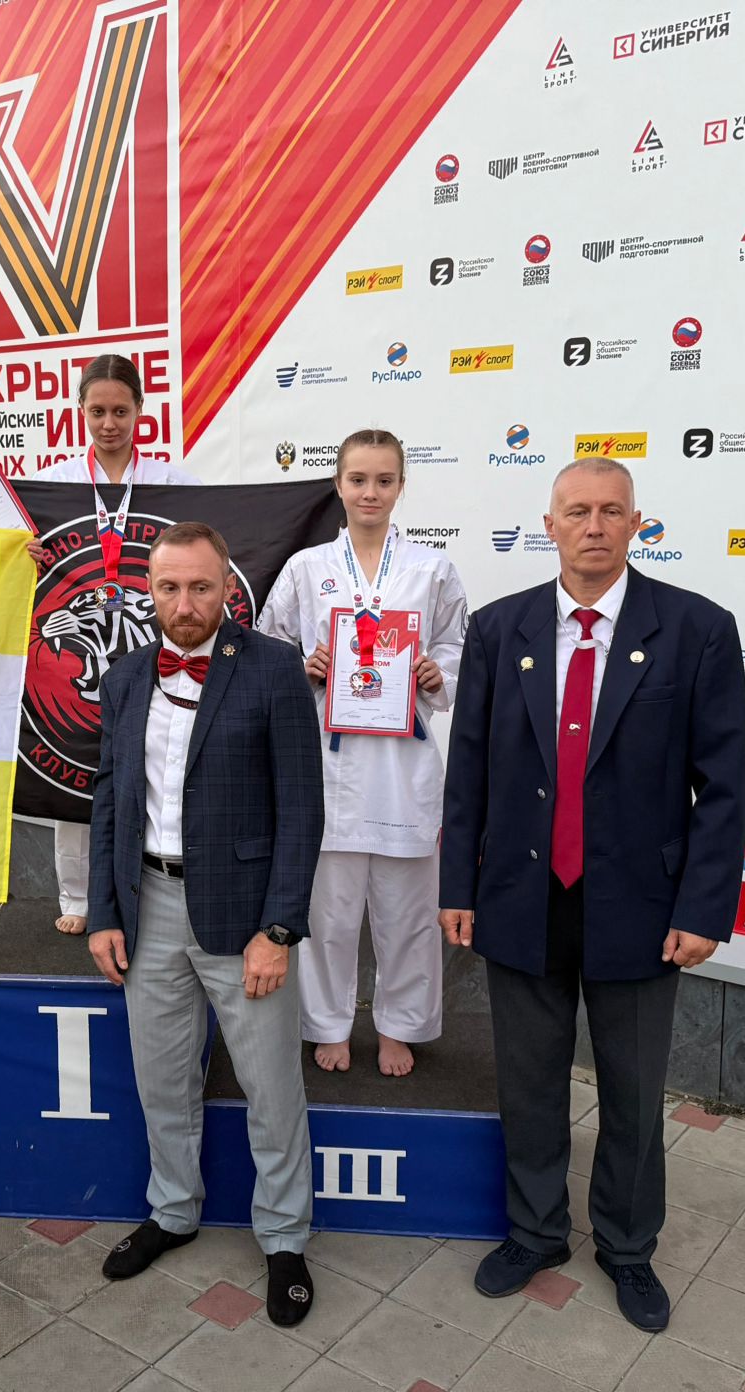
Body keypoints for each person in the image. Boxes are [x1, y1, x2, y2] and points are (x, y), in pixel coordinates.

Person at [439, 458, 745, 1332]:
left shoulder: (696, 629)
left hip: (643, 909)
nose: (595, 526)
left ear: (637, 523)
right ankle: (535, 1232)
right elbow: (469, 771)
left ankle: (626, 1245)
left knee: (633, 1092)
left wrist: (702, 909)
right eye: (577, 511)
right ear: (550, 525)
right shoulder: (499, 629)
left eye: (612, 511)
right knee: (529, 1083)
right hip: (520, 896)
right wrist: (458, 884)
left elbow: (725, 785)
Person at [86, 521, 324, 1326]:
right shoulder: (125, 677)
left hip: (244, 916)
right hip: (146, 908)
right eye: (169, 588)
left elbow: (302, 809)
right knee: (161, 1079)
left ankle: (284, 1238)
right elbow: (110, 800)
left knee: (271, 1087)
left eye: (199, 587)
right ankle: (172, 1211)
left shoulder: (274, 669)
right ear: (148, 591)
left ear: (228, 589)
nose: (184, 604)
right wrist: (104, 913)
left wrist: (279, 929)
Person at [0, 353, 198, 937]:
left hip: (151, 648)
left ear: (140, 410)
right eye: (97, 411)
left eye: (120, 411)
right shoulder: (56, 482)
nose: (109, 423)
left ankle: (146, 894)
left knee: (150, 771)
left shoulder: (173, 484)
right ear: (80, 411)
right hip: (79, 653)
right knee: (76, 774)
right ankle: (77, 897)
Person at [258, 429, 468, 1077]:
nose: (370, 492)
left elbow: (459, 648)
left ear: (402, 485)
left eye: (383, 480)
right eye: (358, 479)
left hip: (404, 767)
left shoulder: (432, 569)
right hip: (329, 764)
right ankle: (328, 1023)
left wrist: (437, 674)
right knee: (328, 914)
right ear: (338, 485)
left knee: (407, 914)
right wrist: (305, 666)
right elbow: (269, 647)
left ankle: (401, 1025)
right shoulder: (306, 568)